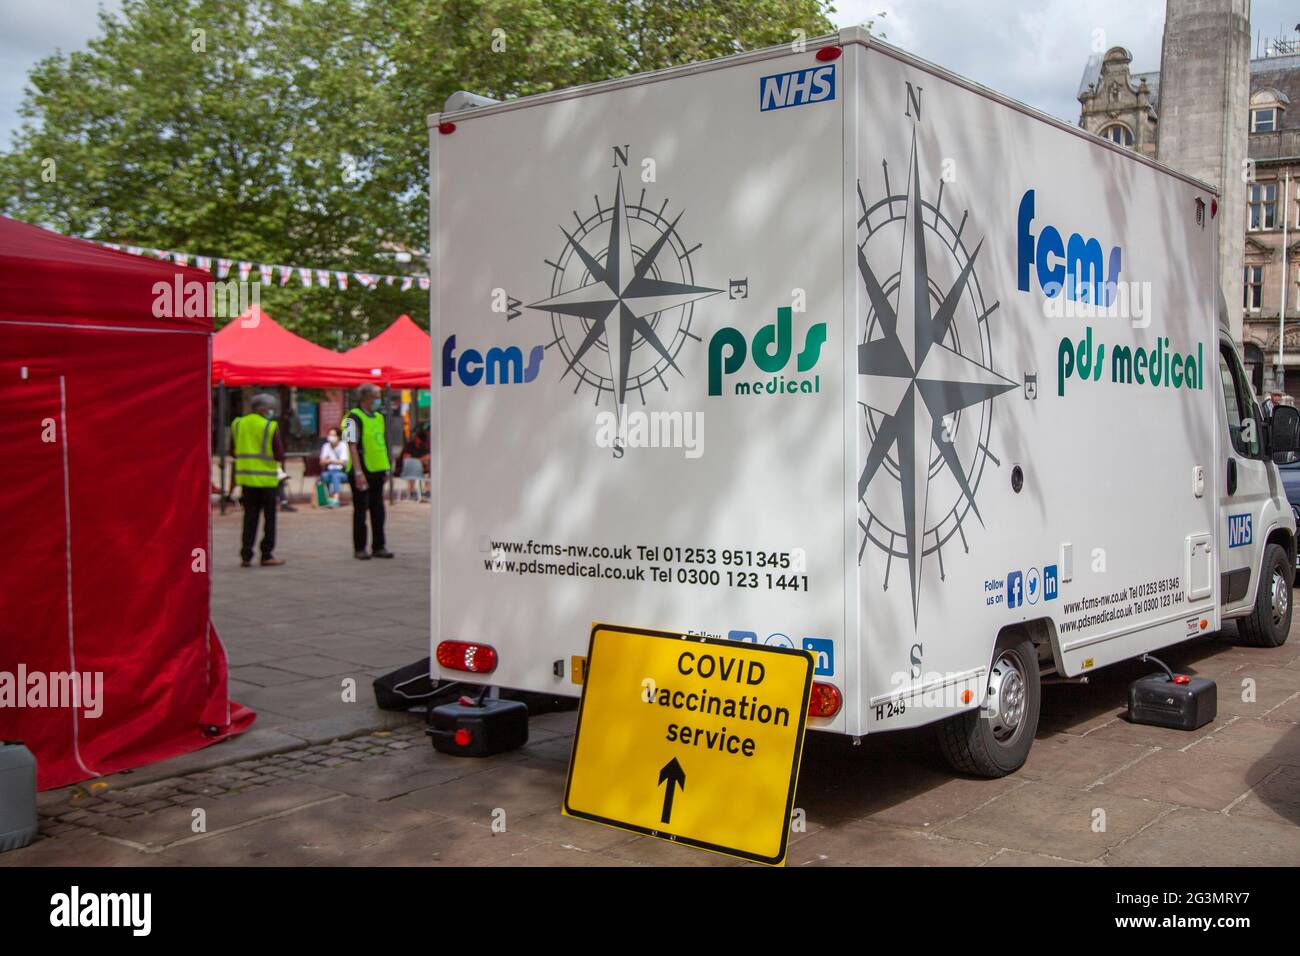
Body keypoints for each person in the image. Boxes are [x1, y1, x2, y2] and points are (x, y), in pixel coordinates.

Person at [230, 393, 286, 567]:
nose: (272, 412)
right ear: (263, 409)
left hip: (246, 479)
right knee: (269, 519)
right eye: (271, 409)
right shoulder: (270, 426)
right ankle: (267, 554)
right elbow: (279, 455)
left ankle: (246, 556)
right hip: (267, 481)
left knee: (249, 518)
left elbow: (232, 450)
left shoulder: (238, 424)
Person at [344, 384, 394, 559]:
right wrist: (358, 472)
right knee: (360, 510)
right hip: (361, 470)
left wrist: (386, 467)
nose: (378, 400)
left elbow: (380, 444)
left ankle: (379, 546)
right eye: (376, 396)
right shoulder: (351, 418)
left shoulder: (379, 417)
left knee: (378, 509)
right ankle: (360, 548)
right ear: (366, 398)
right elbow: (351, 445)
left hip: (378, 469)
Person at [319, 428, 348, 507]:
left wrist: (330, 461)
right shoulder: (326, 446)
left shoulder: (343, 446)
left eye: (333, 435)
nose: (330, 437)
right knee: (324, 476)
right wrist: (334, 461)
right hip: (329, 471)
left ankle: (336, 499)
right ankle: (327, 498)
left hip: (342, 472)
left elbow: (343, 462)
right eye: (330, 435)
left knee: (336, 476)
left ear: (338, 437)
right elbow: (322, 461)